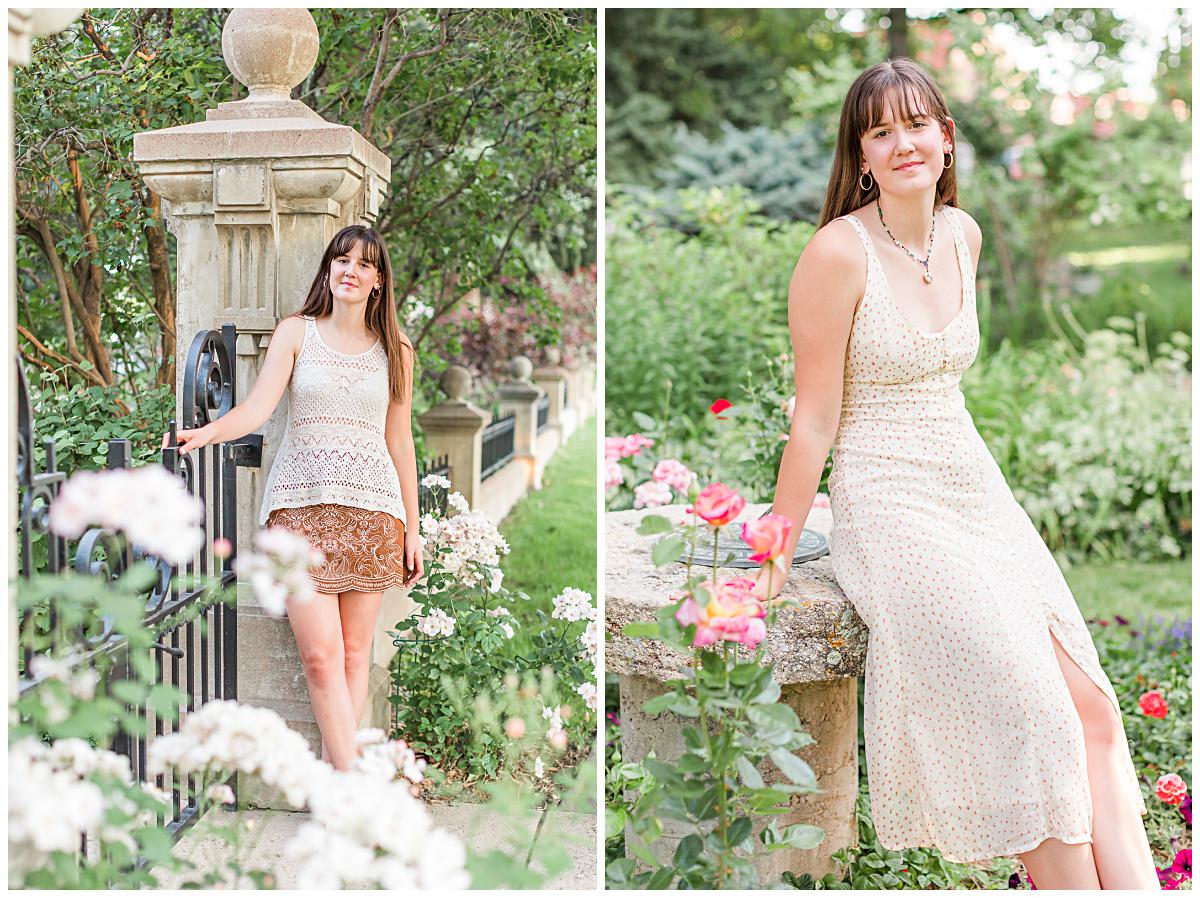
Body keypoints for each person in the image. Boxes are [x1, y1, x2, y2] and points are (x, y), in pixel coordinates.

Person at [755, 59, 1157, 888]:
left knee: (1092, 708)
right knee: (1032, 709)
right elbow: (815, 419)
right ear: (860, 155)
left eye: (916, 125)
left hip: (973, 486)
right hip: (888, 499)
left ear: (945, 137)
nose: (902, 143)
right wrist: (775, 553)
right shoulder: (838, 252)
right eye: (880, 131)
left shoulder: (962, 233)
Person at [173, 224, 423, 772]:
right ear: (328, 270)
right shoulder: (296, 333)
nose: (350, 271)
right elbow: (256, 410)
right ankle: (353, 788)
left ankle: (342, 790)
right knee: (319, 657)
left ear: (378, 280)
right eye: (341, 260)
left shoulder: (397, 350)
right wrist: (203, 434)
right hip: (300, 511)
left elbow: (399, 440)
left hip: (374, 513)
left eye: (363, 264)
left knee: (356, 655)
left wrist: (414, 527)